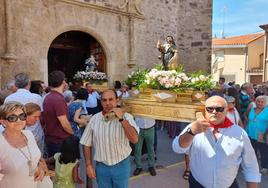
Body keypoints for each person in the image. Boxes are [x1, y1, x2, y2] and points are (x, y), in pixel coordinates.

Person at [172, 96, 261, 188]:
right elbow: (177, 148)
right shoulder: (194, 126)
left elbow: (251, 166)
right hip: (198, 184)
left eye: (219, 109)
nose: (214, 112)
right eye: (210, 109)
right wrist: (191, 132)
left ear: (226, 110)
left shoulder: (239, 133)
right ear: (205, 110)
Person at [80, 89, 139, 188]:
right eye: (104, 100)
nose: (107, 103)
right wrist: (88, 165)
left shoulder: (127, 117)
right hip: (102, 168)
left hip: (121, 166)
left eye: (111, 99)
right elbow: (86, 143)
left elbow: (134, 139)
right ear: (101, 102)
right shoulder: (95, 119)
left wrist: (121, 119)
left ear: (117, 100)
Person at [0, 102, 45, 188]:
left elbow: (33, 158)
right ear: (3, 122)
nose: (19, 120)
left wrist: (39, 167)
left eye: (22, 116)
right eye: (12, 118)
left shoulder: (29, 134)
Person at [43, 70, 73, 157]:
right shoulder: (58, 99)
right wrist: (72, 133)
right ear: (63, 82)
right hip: (59, 140)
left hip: (51, 138)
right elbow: (64, 123)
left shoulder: (48, 97)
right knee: (63, 169)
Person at [245, 95, 268, 174]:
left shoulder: (267, 111)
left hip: (262, 135)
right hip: (250, 133)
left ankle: (265, 167)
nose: (260, 103)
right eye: (258, 101)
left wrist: (265, 134)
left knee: (263, 151)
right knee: (252, 151)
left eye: (262, 102)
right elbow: (246, 116)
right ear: (255, 102)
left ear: (265, 103)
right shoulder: (252, 109)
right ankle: (253, 166)